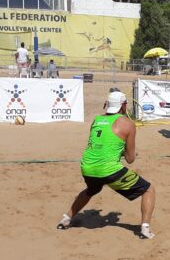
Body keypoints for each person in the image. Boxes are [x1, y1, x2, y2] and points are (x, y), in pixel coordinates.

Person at [57, 90, 156, 239]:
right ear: (123, 106)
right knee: (149, 190)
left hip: (87, 167)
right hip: (108, 170)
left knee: (92, 189)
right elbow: (130, 159)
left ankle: (66, 218)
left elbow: (102, 144)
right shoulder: (127, 124)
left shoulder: (96, 120)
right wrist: (128, 153)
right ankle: (145, 229)